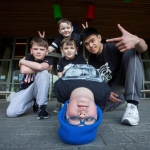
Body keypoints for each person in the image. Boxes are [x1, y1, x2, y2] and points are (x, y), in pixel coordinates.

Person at [79, 24, 148, 126]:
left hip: (125, 76)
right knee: (95, 107)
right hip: (112, 89)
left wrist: (137, 40)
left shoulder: (113, 47)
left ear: (99, 38)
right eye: (86, 44)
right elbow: (96, 82)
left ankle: (132, 104)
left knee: (130, 50)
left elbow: (143, 48)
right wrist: (105, 92)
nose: (90, 45)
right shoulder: (92, 60)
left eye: (92, 40)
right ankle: (121, 98)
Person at [54, 64, 110, 144]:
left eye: (73, 118)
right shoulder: (104, 92)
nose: (82, 115)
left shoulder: (60, 89)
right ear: (97, 114)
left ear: (65, 111)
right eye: (90, 119)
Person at [6, 37, 53, 119]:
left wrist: (21, 61)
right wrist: (41, 68)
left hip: (38, 89)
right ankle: (33, 102)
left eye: (42, 49)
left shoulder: (48, 59)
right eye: (35, 49)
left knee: (44, 73)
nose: (38, 51)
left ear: (47, 51)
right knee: (11, 113)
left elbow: (40, 66)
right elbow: (23, 70)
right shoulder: (28, 57)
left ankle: (42, 106)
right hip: (26, 88)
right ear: (31, 51)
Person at [53, 37, 87, 113]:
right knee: (57, 84)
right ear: (62, 50)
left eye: (72, 48)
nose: (69, 50)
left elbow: (85, 72)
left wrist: (70, 71)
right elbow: (60, 77)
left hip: (79, 83)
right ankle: (61, 103)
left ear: (76, 49)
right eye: (66, 48)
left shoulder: (80, 59)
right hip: (66, 84)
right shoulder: (61, 62)